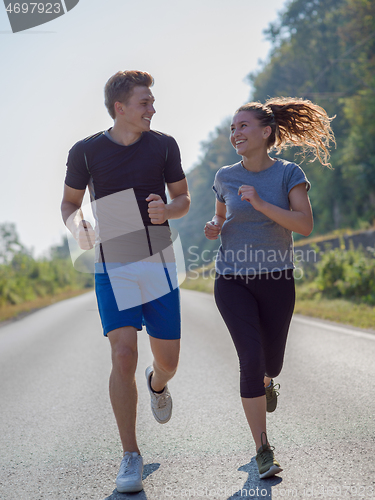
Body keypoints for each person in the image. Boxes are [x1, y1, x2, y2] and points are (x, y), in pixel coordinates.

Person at [61, 70, 190, 493]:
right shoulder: (85, 152)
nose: (153, 108)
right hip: (112, 264)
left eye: (151, 102)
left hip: (158, 261)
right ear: (120, 108)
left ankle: (158, 383)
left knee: (168, 360)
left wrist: (167, 212)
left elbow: (183, 198)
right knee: (122, 353)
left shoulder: (164, 145)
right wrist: (76, 222)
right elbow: (69, 203)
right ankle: (130, 455)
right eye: (144, 102)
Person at [204, 98, 335, 479]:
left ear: (265, 132)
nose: (236, 134)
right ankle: (262, 449)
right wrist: (214, 226)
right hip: (231, 280)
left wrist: (261, 204)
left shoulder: (288, 174)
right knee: (250, 357)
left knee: (270, 363)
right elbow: (221, 214)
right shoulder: (225, 176)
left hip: (277, 279)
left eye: (243, 126)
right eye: (232, 128)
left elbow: (304, 224)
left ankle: (267, 380)